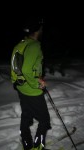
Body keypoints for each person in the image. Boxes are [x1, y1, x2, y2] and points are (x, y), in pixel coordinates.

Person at [11, 18, 51, 150]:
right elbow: (26, 69)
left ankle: (27, 144)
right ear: (38, 30)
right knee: (44, 120)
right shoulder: (34, 45)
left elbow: (21, 67)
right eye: (41, 28)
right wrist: (36, 84)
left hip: (21, 87)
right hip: (31, 89)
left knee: (26, 115)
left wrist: (36, 78)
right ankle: (38, 148)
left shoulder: (22, 44)